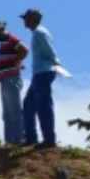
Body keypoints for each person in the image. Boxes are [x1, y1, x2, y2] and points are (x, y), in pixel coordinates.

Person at [0, 19, 28, 146]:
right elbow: (9, 59)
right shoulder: (4, 43)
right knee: (8, 112)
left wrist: (17, 62)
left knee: (14, 110)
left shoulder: (10, 39)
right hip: (5, 79)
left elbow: (24, 49)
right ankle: (11, 140)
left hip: (11, 79)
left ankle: (19, 138)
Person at [21, 8, 60, 149]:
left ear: (33, 18)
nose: (24, 21)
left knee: (43, 105)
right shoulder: (38, 33)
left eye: (26, 18)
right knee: (29, 104)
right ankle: (31, 137)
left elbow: (49, 50)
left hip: (43, 72)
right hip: (40, 73)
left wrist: (56, 62)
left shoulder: (39, 33)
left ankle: (49, 139)